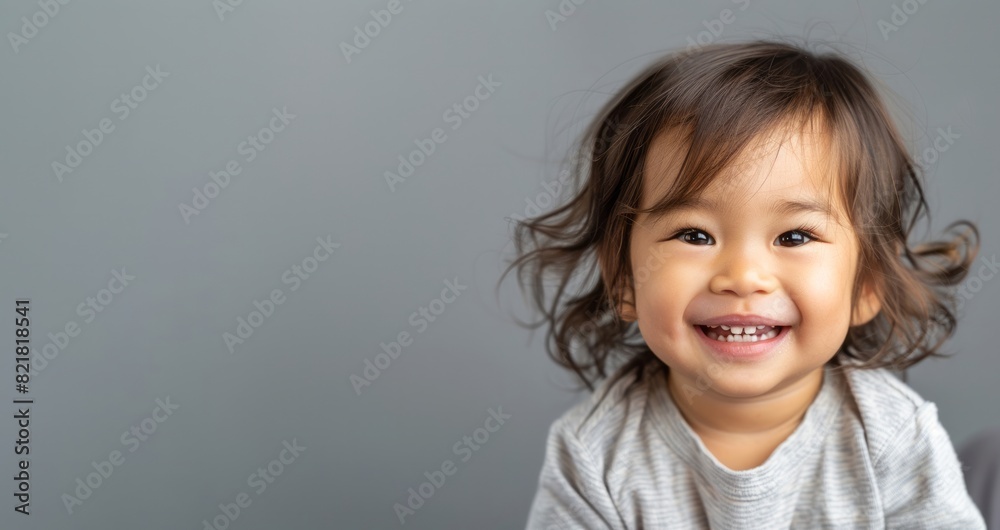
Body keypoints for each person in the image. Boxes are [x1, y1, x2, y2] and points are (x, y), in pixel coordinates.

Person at [505, 39, 987, 529]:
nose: (742, 277)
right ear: (625, 279)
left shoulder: (891, 436)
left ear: (866, 284)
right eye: (695, 234)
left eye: (794, 236)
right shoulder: (594, 455)